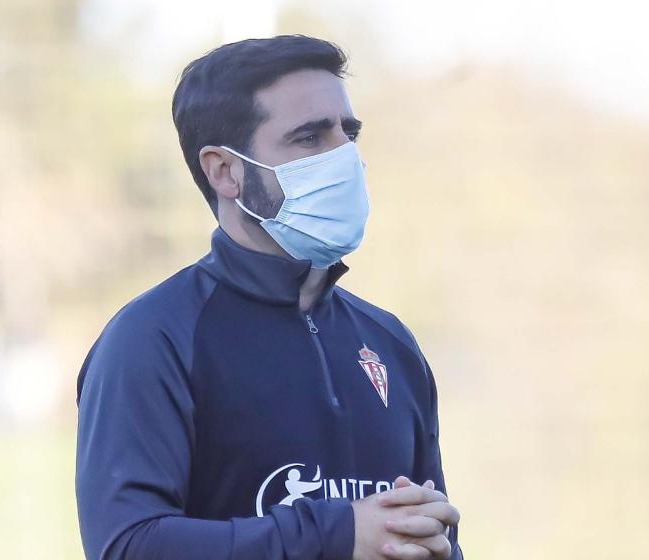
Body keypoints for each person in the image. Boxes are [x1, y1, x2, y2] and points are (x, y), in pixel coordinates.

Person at [76, 36, 462, 560]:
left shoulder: (389, 342)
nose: (343, 158)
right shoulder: (153, 339)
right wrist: (337, 535)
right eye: (309, 138)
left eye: (348, 134)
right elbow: (127, 546)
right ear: (224, 170)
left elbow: (430, 538)